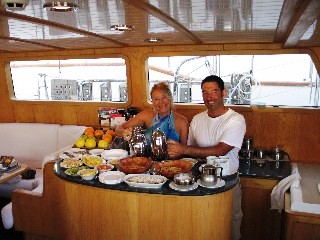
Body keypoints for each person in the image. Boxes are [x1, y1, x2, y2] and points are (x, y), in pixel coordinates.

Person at [167, 75, 246, 240]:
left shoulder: (236, 120)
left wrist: (183, 148)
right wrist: (175, 151)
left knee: (230, 228)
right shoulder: (197, 119)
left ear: (223, 92)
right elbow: (189, 151)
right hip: (199, 181)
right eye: (205, 92)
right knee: (200, 228)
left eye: (214, 91)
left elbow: (221, 150)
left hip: (227, 181)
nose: (209, 97)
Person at [115, 82, 189, 146]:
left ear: (170, 98)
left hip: (172, 162)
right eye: (156, 99)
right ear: (152, 101)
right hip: (147, 160)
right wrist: (124, 132)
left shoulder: (182, 121)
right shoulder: (146, 115)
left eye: (164, 97)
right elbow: (118, 129)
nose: (161, 102)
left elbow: (184, 151)